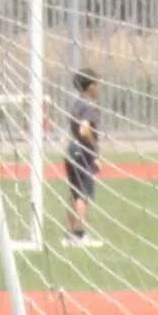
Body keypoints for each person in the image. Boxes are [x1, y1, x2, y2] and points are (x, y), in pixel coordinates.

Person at [64, 69, 101, 246]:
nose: (99, 89)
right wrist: (93, 147)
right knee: (82, 195)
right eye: (97, 84)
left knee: (74, 193)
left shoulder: (76, 104)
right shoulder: (88, 106)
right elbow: (84, 129)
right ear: (91, 86)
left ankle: (70, 234)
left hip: (71, 151)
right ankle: (80, 235)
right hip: (82, 153)